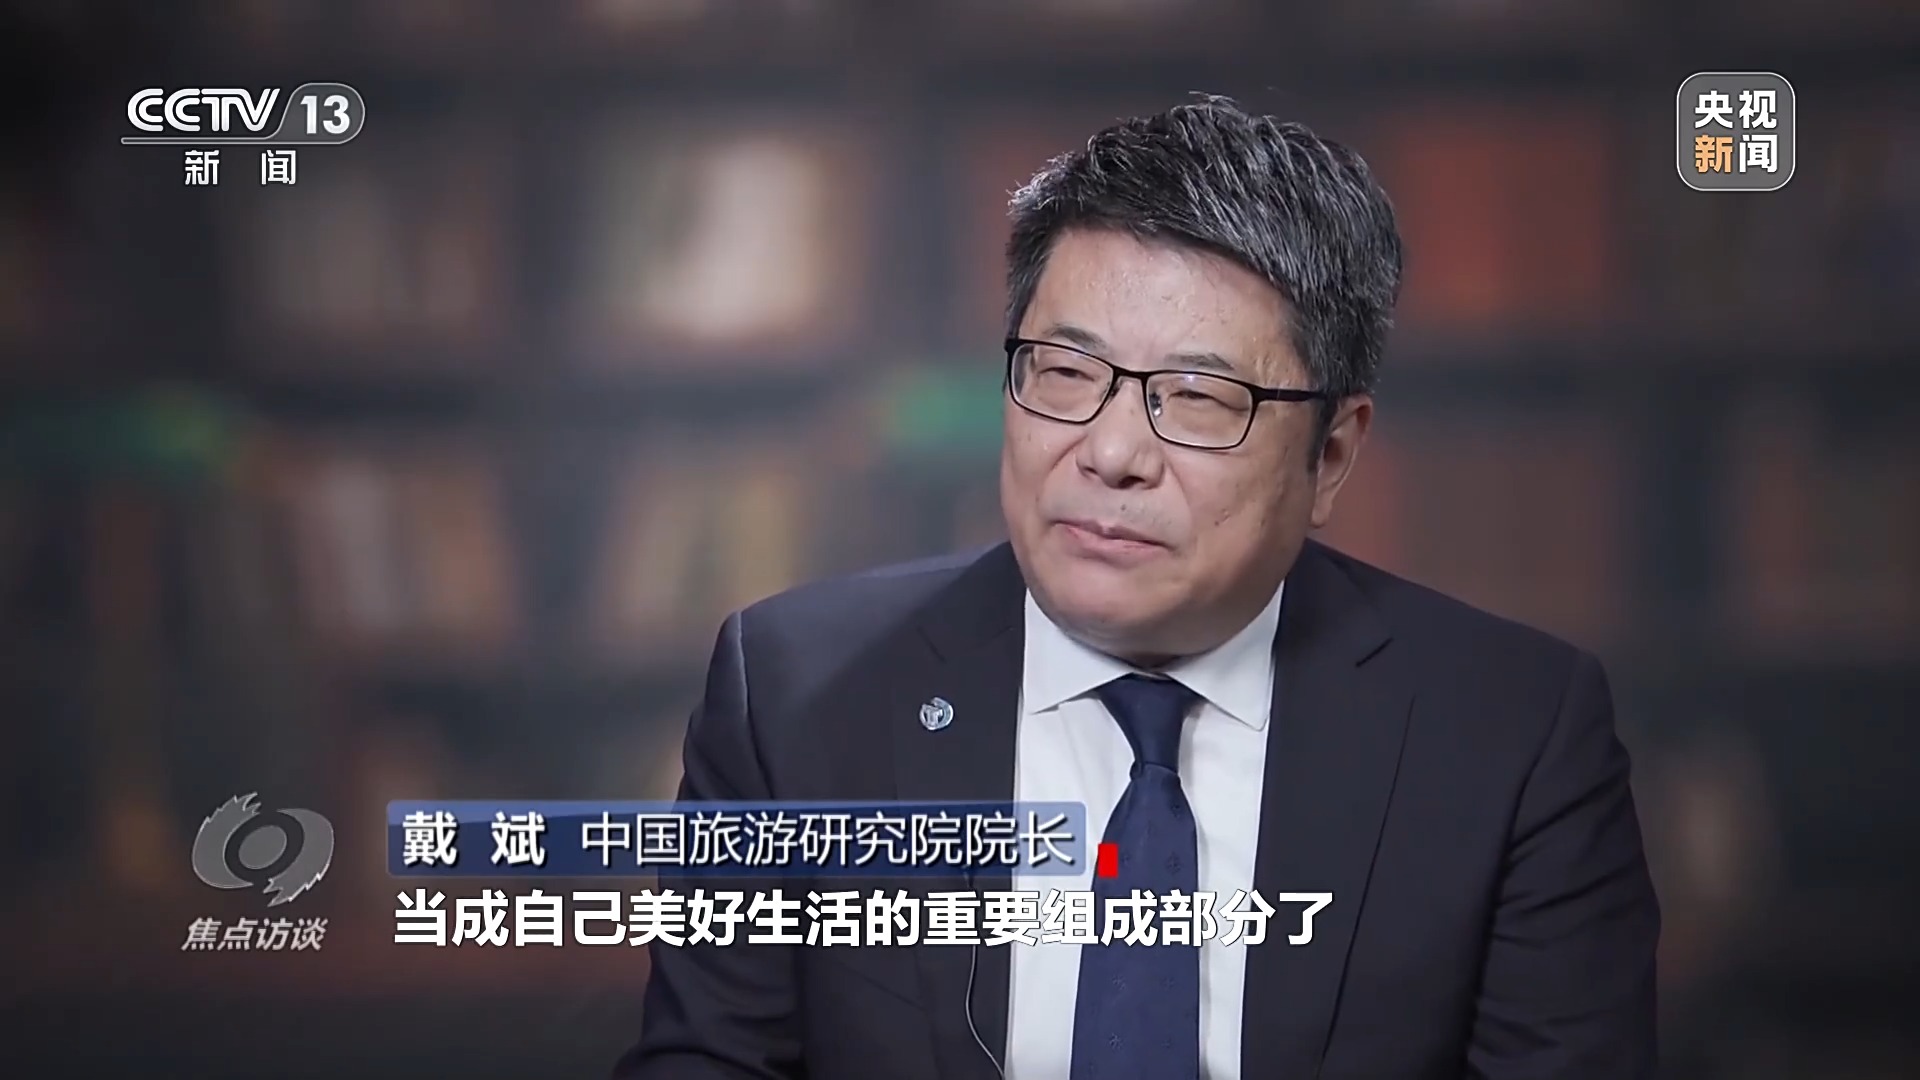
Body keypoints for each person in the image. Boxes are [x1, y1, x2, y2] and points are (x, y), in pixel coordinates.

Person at [614, 95, 1659, 1080]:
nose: (1111, 454)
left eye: (1198, 397)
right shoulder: (795, 696)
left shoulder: (1513, 736)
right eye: (1066, 373)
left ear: (1332, 454)